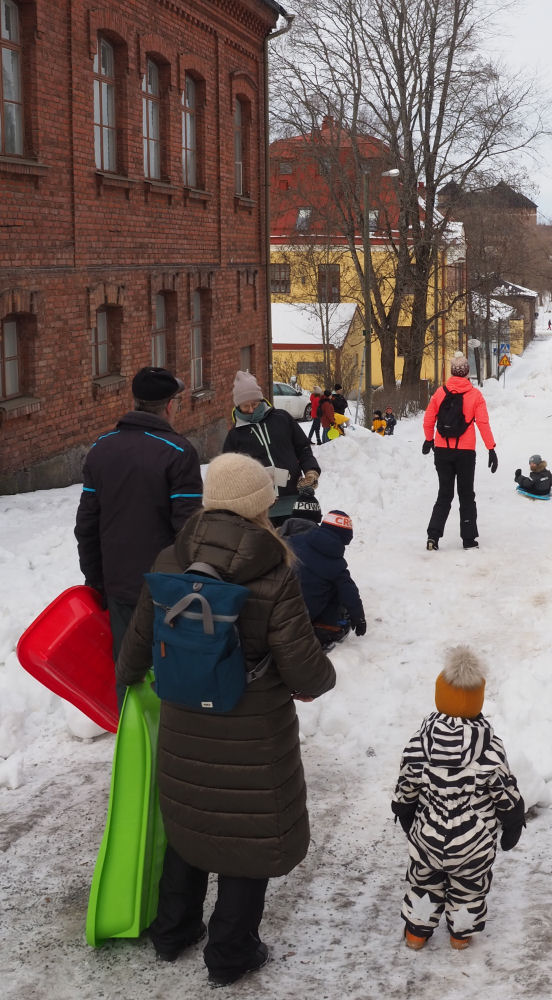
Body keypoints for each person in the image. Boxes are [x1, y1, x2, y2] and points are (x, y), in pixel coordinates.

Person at [115, 453, 335, 988]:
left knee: (192, 824)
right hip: (253, 736)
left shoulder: (171, 560)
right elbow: (307, 671)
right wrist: (318, 681)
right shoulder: (275, 572)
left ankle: (173, 930)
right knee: (246, 838)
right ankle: (231, 953)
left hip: (184, 727)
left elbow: (133, 653)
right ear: (260, 506)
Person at [74, 366, 203, 709]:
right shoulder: (178, 452)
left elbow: (86, 524)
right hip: (169, 589)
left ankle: (133, 735)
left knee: (128, 671)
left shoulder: (101, 448)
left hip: (119, 585)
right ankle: (171, 737)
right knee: (173, 672)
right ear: (170, 405)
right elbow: (188, 530)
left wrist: (96, 580)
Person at [391, 645, 524, 951]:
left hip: (428, 835)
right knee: (469, 889)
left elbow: (406, 784)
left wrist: (405, 811)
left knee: (424, 883)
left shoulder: (420, 742)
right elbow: (504, 790)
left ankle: (416, 934)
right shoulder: (489, 748)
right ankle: (460, 936)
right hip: (473, 841)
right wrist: (513, 820)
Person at [222, 371, 320, 526]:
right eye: (246, 406)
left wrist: (311, 471)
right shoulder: (235, 436)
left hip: (294, 501)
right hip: (261, 512)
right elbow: (230, 475)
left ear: (261, 400)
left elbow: (303, 448)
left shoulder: (282, 418)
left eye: (254, 404)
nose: (251, 410)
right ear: (238, 406)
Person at [422, 352, 498, 551]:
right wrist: (491, 448)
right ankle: (469, 539)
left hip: (442, 450)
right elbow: (483, 423)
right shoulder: (475, 396)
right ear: (467, 372)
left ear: (452, 372)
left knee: (444, 494)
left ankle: (433, 536)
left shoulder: (440, 393)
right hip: (465, 453)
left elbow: (428, 419)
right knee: (466, 495)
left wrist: (429, 439)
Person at [285, 510, 366, 650]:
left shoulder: (294, 541)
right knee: (337, 589)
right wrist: (359, 617)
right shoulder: (336, 565)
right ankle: (326, 627)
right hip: (304, 617)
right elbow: (349, 593)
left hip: (278, 608)